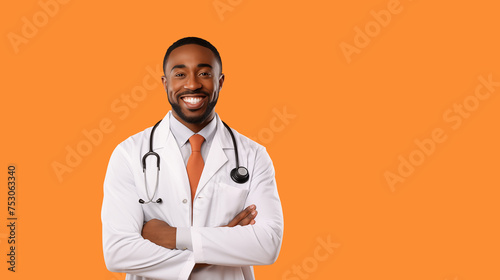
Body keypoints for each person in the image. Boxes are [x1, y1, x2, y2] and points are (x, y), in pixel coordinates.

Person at [101, 37, 284, 280]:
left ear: (220, 81)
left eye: (204, 73)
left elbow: (267, 244)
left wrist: (174, 236)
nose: (192, 84)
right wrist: (220, 243)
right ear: (165, 84)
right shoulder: (129, 153)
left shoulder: (253, 155)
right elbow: (119, 253)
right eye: (180, 74)